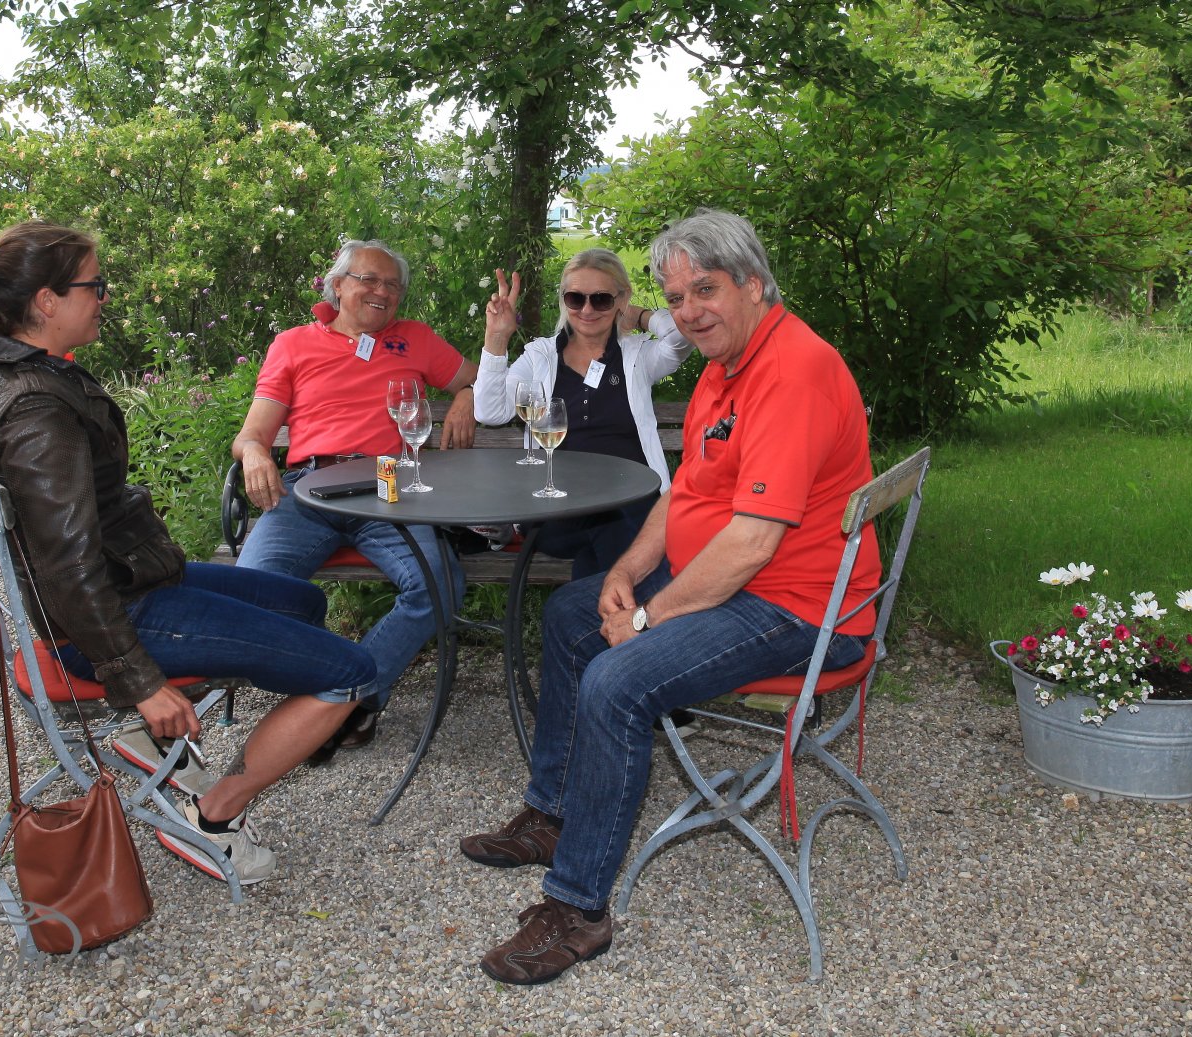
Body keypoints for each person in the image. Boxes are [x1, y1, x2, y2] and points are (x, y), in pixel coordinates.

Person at [459, 209, 882, 984]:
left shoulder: (792, 372)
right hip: (739, 579)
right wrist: (624, 574)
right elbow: (684, 493)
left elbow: (752, 544)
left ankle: (579, 907)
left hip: (801, 608)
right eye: (677, 297)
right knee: (573, 612)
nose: (689, 311)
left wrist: (649, 616)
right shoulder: (729, 363)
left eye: (705, 290)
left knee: (617, 679)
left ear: (753, 284)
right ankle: (552, 813)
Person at [0, 220, 378, 887]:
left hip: (129, 582)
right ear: (47, 301)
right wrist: (141, 683)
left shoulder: (17, 371)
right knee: (350, 671)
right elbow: (68, 567)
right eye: (94, 285)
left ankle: (152, 745)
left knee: (303, 601)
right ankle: (216, 814)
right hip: (109, 618)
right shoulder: (35, 413)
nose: (104, 297)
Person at [232, 240, 477, 763]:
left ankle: (344, 700)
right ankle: (337, 683)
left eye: (392, 285)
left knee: (440, 584)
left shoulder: (414, 339)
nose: (382, 291)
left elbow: (480, 380)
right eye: (369, 279)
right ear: (338, 285)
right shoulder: (294, 344)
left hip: (389, 486)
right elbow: (253, 433)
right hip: (309, 489)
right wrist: (254, 453)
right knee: (250, 597)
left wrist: (465, 397)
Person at [474, 248, 694, 579]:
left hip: (633, 499)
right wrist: (496, 337)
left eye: (602, 299)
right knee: (615, 525)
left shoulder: (637, 356)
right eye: (575, 299)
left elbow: (681, 336)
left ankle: (591, 606)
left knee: (609, 536)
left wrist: (638, 315)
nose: (587, 310)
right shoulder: (540, 357)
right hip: (558, 507)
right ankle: (627, 604)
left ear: (621, 298)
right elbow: (490, 412)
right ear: (564, 301)